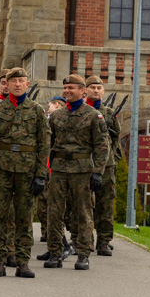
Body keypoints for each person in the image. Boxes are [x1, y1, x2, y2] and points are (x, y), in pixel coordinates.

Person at [0, 68, 50, 278]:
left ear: (27, 84)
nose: (17, 84)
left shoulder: (36, 110)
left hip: (27, 172)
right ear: (6, 85)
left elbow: (44, 144)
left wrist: (40, 174)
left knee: (24, 218)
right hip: (1, 170)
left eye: (21, 81)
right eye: (13, 81)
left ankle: (22, 263)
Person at [42, 74, 109, 270]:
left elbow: (102, 146)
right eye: (66, 88)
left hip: (83, 171)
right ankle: (55, 252)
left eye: (72, 88)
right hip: (60, 169)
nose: (67, 91)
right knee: (54, 213)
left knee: (83, 213)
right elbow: (48, 144)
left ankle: (83, 254)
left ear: (83, 91)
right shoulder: (56, 116)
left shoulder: (93, 116)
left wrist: (98, 172)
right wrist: (45, 169)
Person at [85, 75, 122, 256]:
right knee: (84, 204)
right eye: (92, 87)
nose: (96, 91)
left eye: (99, 88)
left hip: (106, 166)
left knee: (105, 204)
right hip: (84, 163)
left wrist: (107, 157)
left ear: (103, 91)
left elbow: (115, 139)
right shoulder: (82, 111)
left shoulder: (109, 113)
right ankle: (84, 241)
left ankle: (104, 241)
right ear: (86, 90)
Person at [35, 95, 66, 243]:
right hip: (44, 167)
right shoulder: (45, 121)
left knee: (56, 208)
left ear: (58, 106)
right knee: (42, 205)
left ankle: (60, 240)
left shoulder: (64, 121)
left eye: (51, 106)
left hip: (59, 168)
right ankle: (47, 232)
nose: (48, 109)